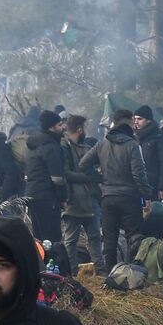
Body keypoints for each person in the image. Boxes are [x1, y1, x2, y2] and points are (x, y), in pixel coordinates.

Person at [78, 109, 150, 269]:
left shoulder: (102, 144)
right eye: (132, 122)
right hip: (130, 199)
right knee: (134, 238)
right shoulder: (133, 145)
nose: (134, 125)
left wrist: (101, 179)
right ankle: (132, 272)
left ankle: (110, 274)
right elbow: (139, 174)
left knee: (109, 239)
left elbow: (83, 165)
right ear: (127, 123)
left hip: (108, 198)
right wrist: (146, 195)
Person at [60, 115, 105, 276]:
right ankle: (71, 274)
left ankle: (100, 273)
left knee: (93, 238)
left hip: (90, 200)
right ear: (80, 129)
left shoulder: (87, 148)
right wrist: (89, 177)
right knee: (71, 240)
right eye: (84, 128)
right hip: (73, 201)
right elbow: (66, 174)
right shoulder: (63, 146)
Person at [24, 110, 69, 244]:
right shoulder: (51, 147)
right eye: (60, 124)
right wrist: (63, 199)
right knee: (52, 238)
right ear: (52, 127)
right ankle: (53, 264)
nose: (63, 128)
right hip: (47, 197)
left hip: (32, 194)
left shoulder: (33, 145)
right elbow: (58, 178)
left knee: (39, 237)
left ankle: (41, 264)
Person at [132, 106, 163, 205]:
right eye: (135, 119)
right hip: (136, 186)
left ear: (149, 121)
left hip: (153, 186)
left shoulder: (159, 139)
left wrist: (162, 187)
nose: (136, 122)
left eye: (140, 119)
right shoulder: (134, 139)